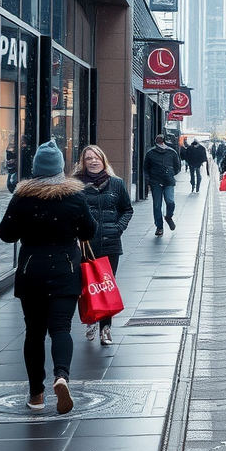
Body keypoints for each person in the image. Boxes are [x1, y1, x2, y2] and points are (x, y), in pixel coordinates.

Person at [0, 139, 95, 414]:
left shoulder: (22, 197)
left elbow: (6, 235)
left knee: (34, 333)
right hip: (65, 270)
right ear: (60, 168)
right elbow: (90, 231)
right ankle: (61, 376)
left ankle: (36, 394)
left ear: (35, 169)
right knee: (61, 329)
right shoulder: (75, 197)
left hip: (32, 273)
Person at [74, 144, 132, 346]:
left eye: (96, 157)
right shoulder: (75, 185)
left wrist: (118, 228)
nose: (93, 161)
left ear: (103, 159)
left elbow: (127, 209)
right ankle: (90, 320)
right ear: (83, 162)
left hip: (110, 243)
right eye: (88, 158)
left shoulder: (116, 184)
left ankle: (105, 329)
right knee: (86, 285)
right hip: (84, 245)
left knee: (106, 285)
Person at [143, 135, 181, 237]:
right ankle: (159, 226)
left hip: (164, 180)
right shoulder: (153, 153)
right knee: (159, 204)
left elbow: (177, 167)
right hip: (159, 180)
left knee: (167, 201)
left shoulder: (169, 152)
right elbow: (177, 167)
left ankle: (167, 217)